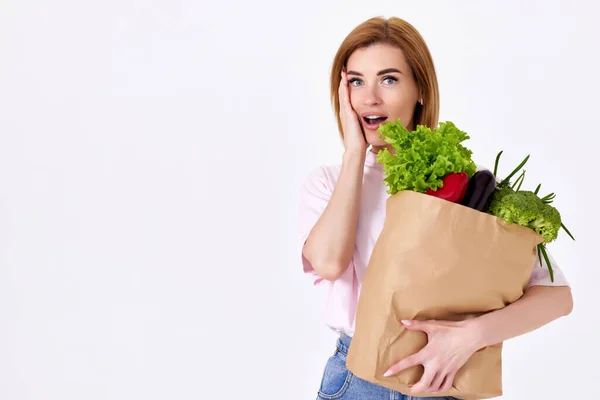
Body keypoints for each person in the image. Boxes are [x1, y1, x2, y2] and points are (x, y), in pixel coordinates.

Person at [298, 16, 573, 400]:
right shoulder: (329, 183)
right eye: (356, 81)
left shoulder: (469, 183)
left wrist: (470, 337)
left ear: (420, 90)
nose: (370, 97)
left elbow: (557, 297)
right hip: (356, 381)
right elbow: (329, 263)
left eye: (389, 79)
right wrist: (355, 155)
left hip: (448, 378)